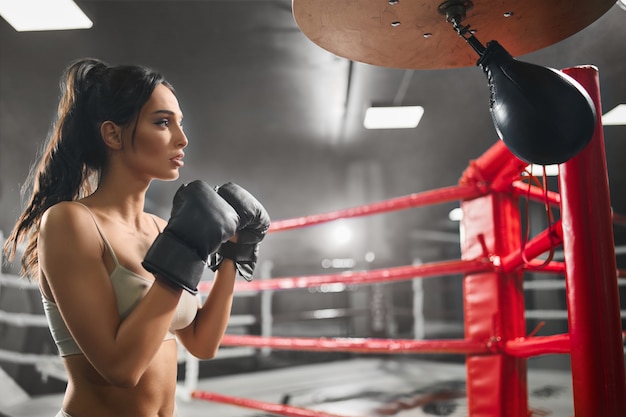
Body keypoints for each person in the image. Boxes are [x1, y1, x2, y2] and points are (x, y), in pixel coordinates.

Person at [2, 58, 270, 417]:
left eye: (179, 122)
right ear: (113, 134)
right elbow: (120, 369)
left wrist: (235, 255)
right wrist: (184, 255)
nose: (182, 138)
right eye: (162, 122)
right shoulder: (70, 222)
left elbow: (202, 343)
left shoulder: (161, 229)